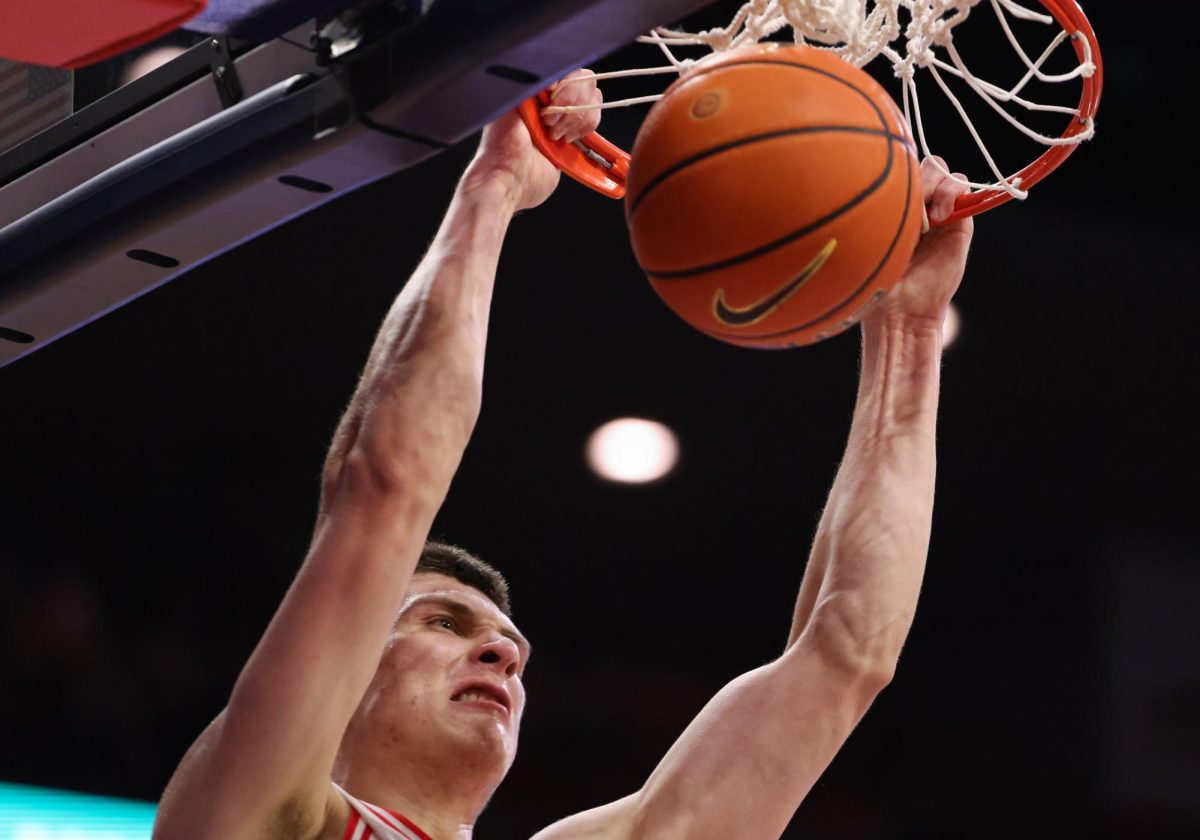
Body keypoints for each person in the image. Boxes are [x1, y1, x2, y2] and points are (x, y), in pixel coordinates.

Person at [153, 67, 973, 839]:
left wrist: (907, 334)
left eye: (509, 645)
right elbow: (383, 485)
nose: (505, 653)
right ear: (343, 662)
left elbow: (846, 655)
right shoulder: (257, 811)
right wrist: (496, 181)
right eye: (442, 620)